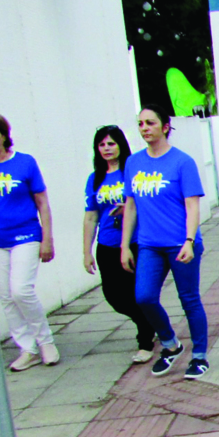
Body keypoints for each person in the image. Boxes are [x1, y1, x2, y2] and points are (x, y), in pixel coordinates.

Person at [120, 106, 210, 380]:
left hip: (180, 243)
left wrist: (189, 240)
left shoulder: (182, 162)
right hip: (149, 245)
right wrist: (125, 246)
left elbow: (192, 205)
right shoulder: (133, 163)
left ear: (165, 126)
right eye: (140, 124)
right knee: (144, 297)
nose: (145, 128)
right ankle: (170, 344)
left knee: (189, 299)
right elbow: (131, 206)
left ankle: (199, 355)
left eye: (150, 122)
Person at [0, 112, 60, 371]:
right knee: (7, 297)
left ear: (3, 135)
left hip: (25, 235)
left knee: (21, 290)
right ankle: (27, 348)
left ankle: (45, 342)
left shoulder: (25, 163)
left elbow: (42, 203)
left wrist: (47, 239)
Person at [83, 125, 155, 364]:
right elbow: (91, 216)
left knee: (138, 293)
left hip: (134, 242)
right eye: (101, 144)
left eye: (111, 143)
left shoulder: (132, 170)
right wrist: (86, 251)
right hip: (107, 244)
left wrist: (129, 208)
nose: (106, 148)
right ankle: (147, 322)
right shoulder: (95, 179)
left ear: (121, 145)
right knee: (114, 295)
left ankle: (145, 341)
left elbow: (147, 202)